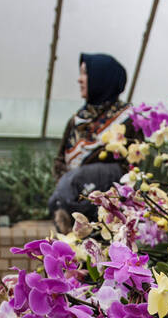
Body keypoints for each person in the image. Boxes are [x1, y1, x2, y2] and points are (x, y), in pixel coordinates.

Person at [48, 52, 135, 231]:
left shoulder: (128, 120)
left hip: (112, 221)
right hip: (73, 215)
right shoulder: (76, 120)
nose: (79, 80)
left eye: (85, 73)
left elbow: (134, 170)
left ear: (102, 78)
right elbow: (60, 162)